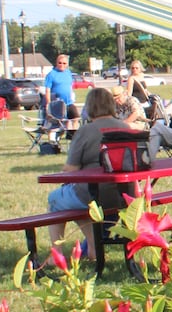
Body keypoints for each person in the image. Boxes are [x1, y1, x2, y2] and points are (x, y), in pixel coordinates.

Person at [43, 86, 135, 267]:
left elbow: (71, 169)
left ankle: (58, 253)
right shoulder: (125, 127)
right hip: (122, 195)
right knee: (77, 199)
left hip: (92, 193)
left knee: (56, 200)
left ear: (90, 107)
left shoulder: (85, 131)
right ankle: (93, 246)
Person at [43, 54, 76, 121]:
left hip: (68, 102)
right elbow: (47, 90)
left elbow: (70, 86)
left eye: (64, 63)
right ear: (56, 63)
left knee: (76, 118)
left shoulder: (68, 73)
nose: (62, 65)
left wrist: (72, 96)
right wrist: (49, 104)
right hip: (57, 104)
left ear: (67, 64)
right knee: (58, 122)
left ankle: (72, 131)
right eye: (60, 63)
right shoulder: (51, 74)